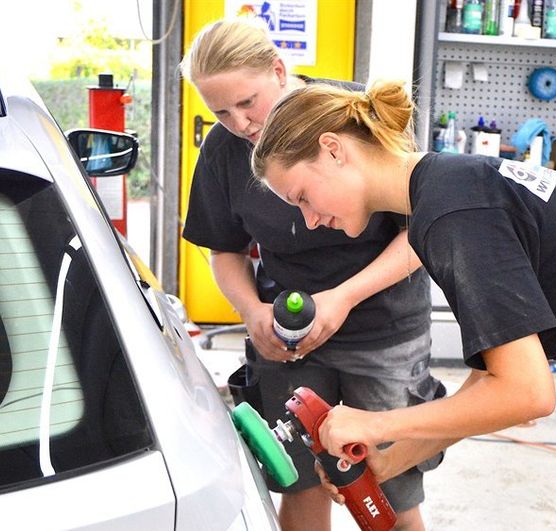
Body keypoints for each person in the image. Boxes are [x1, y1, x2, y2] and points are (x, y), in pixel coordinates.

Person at [250, 80, 556, 530]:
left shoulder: (452, 214)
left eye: (302, 197)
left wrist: (374, 423)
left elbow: (526, 394)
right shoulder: (449, 184)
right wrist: (393, 455)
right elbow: (492, 378)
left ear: (332, 150)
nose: (310, 221)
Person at [178, 20, 442, 531]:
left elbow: (424, 233)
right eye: (220, 112)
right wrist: (252, 313)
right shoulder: (223, 149)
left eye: (248, 102)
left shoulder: (355, 116)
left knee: (389, 490)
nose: (240, 124)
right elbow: (224, 250)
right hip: (290, 339)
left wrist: (343, 297)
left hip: (383, 331)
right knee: (299, 482)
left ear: (279, 70)